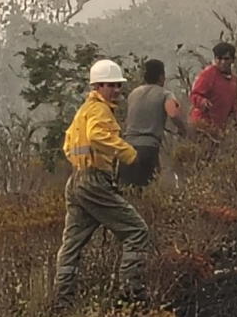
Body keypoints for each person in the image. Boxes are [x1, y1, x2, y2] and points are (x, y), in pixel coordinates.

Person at [53, 59, 151, 312]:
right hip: (93, 181)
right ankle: (132, 296)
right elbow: (97, 135)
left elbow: (67, 145)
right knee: (136, 231)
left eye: (119, 85)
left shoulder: (83, 111)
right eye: (111, 85)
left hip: (77, 180)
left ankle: (62, 303)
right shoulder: (99, 110)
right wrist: (127, 153)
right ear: (97, 86)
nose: (116, 90)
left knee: (72, 244)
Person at [118, 59, 188, 188]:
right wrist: (183, 130)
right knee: (147, 189)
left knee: (128, 191)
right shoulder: (165, 94)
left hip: (126, 148)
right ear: (161, 76)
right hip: (148, 148)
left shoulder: (134, 93)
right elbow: (173, 113)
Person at [189, 42, 237, 132]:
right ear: (215, 59)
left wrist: (236, 116)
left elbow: (233, 103)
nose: (222, 62)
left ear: (233, 60)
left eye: (226, 59)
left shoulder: (233, 80)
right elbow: (194, 95)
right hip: (202, 126)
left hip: (218, 128)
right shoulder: (208, 74)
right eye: (219, 59)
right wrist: (202, 102)